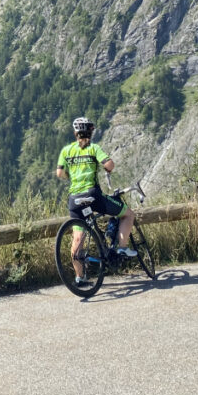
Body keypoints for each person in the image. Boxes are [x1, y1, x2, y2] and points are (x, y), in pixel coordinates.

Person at [56, 116, 136, 287]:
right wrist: (106, 168)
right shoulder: (93, 148)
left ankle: (80, 277)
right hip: (92, 195)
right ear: (90, 132)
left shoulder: (67, 150)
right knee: (128, 214)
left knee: (78, 237)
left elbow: (60, 174)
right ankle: (122, 247)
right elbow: (110, 165)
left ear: (75, 133)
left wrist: (73, 176)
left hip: (75, 199)